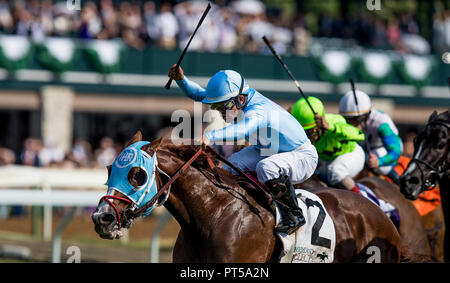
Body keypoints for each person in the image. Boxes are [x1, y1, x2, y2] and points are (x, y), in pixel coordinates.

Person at [168, 65, 318, 235]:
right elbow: (199, 94)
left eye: (224, 107)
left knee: (266, 167)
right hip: (268, 150)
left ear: (240, 99)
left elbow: (242, 130)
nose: (221, 113)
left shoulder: (258, 110)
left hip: (302, 156)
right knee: (232, 164)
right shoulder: (239, 99)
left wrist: (209, 136)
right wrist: (181, 80)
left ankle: (293, 215)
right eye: (217, 108)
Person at [291, 96, 365, 193]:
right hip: (325, 161)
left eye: (311, 131)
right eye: (304, 132)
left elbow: (360, 135)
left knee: (336, 171)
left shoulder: (335, 120)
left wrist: (330, 128)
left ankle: (360, 199)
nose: (308, 136)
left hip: (350, 154)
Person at [339, 90, 403, 184]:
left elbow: (396, 151)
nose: (351, 124)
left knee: (381, 164)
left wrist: (379, 161)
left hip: (381, 149)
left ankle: (400, 182)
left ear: (366, 115)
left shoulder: (381, 122)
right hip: (360, 150)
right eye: (347, 119)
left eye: (355, 119)